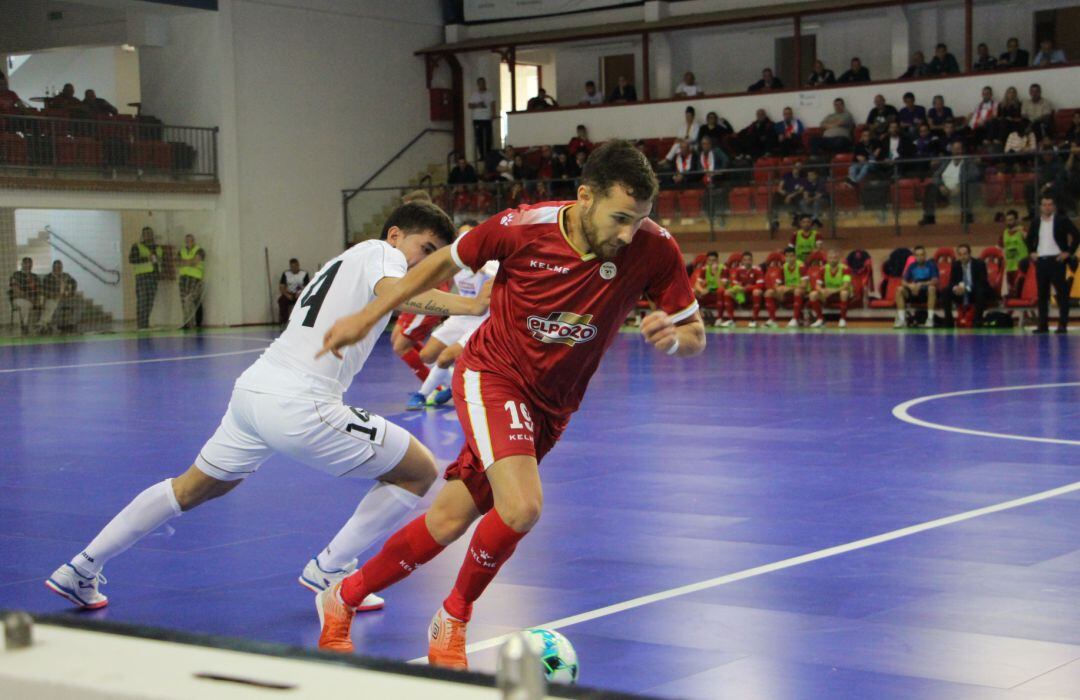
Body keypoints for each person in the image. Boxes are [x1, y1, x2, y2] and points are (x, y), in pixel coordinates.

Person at [313, 140, 705, 667]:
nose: (627, 233)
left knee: (449, 520)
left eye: (638, 220)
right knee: (521, 507)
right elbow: (439, 265)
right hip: (492, 376)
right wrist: (367, 317)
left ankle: (343, 596)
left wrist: (674, 339)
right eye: (619, 218)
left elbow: (694, 331)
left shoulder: (654, 249)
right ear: (585, 197)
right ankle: (452, 619)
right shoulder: (521, 227)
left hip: (554, 406)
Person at [45, 202, 487, 613]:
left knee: (195, 487)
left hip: (254, 392)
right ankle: (331, 570)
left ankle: (81, 567)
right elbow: (398, 293)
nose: (424, 263)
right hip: (301, 402)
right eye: (424, 249)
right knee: (419, 470)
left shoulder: (347, 260)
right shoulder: (382, 255)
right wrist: (474, 304)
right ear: (395, 235)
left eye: (435, 257)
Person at [408, 225, 499, 410]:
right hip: (461, 315)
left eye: (469, 235)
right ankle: (453, 385)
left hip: (483, 320)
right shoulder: (456, 262)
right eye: (461, 236)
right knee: (426, 355)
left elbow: (505, 278)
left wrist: (484, 270)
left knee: (445, 358)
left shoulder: (490, 262)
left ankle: (421, 395)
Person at [1025, 195, 1079, 333]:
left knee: (1062, 295)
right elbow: (1029, 238)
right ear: (1040, 207)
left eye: (1050, 204)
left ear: (1054, 206)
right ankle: (1042, 326)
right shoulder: (1036, 221)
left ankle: (1062, 325)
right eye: (1044, 204)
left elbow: (1077, 235)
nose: (1047, 207)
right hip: (1041, 261)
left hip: (1057, 261)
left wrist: (1068, 252)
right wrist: (1031, 252)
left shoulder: (1062, 220)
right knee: (1042, 295)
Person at [919, 141, 979, 225]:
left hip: (960, 189)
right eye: (955, 149)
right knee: (930, 187)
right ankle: (929, 217)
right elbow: (936, 175)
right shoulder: (946, 161)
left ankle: (967, 218)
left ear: (963, 150)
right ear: (952, 150)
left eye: (959, 149)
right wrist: (941, 185)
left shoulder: (968, 162)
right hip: (944, 190)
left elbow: (975, 174)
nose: (957, 151)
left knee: (968, 188)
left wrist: (960, 185)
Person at [944, 244, 991, 327]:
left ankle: (977, 321)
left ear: (969, 254)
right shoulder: (956, 265)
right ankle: (949, 321)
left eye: (965, 254)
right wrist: (955, 288)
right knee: (946, 291)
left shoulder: (979, 263)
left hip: (974, 291)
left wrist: (966, 288)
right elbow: (952, 282)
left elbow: (981, 281)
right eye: (960, 254)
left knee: (980, 291)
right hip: (961, 293)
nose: (963, 257)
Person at [895, 245, 939, 328]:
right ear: (914, 256)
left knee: (932, 288)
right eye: (917, 255)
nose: (920, 257)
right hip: (914, 292)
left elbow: (935, 281)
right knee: (899, 289)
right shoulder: (912, 266)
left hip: (926, 292)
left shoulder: (931, 265)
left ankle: (930, 319)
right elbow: (903, 281)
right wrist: (910, 285)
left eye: (922, 255)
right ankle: (902, 319)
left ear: (925, 255)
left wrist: (922, 284)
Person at [129, 226, 163, 330]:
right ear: (143, 235)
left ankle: (145, 323)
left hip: (153, 276)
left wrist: (157, 261)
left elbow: (159, 261)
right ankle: (141, 325)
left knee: (150, 301)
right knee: (142, 301)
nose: (148, 235)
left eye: (150, 233)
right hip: (142, 276)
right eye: (146, 233)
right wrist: (146, 258)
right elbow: (132, 259)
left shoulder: (158, 248)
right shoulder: (137, 246)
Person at [809, 249, 853, 328]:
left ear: (838, 259)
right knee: (813, 294)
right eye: (831, 258)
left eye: (835, 258)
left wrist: (832, 291)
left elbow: (846, 285)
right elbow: (817, 285)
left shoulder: (846, 269)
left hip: (840, 291)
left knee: (844, 293)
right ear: (827, 259)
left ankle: (842, 319)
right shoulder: (823, 269)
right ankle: (820, 319)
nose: (833, 260)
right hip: (828, 293)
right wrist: (822, 290)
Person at [764, 246, 806, 328]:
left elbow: (804, 285)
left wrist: (789, 287)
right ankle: (772, 320)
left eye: (791, 256)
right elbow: (777, 284)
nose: (789, 258)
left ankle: (795, 319)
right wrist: (778, 289)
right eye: (787, 256)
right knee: (768, 292)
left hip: (801, 292)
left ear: (795, 256)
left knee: (798, 291)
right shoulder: (783, 267)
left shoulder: (801, 266)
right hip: (787, 292)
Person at [722, 251, 765, 328]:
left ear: (752, 260)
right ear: (742, 261)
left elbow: (760, 285)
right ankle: (731, 320)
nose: (747, 261)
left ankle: (754, 320)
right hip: (741, 294)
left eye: (749, 259)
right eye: (745, 260)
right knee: (727, 292)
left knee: (757, 292)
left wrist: (746, 288)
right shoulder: (738, 270)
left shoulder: (757, 270)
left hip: (752, 294)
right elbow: (734, 283)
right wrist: (738, 288)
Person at [39, 260, 79, 334]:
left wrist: (72, 292)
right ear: (53, 268)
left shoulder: (65, 275)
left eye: (60, 267)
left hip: (65, 297)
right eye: (57, 267)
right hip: (53, 297)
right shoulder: (48, 277)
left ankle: (71, 323)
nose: (59, 269)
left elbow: (74, 283)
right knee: (51, 304)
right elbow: (44, 290)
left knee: (78, 303)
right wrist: (54, 295)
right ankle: (42, 325)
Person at [177, 234, 205, 329]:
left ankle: (197, 323)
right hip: (183, 278)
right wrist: (190, 261)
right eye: (187, 240)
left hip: (195, 277)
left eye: (190, 240)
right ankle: (186, 323)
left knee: (193, 299)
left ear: (194, 241)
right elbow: (177, 262)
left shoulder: (199, 250)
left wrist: (185, 262)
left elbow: (196, 261)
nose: (188, 242)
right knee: (184, 300)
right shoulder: (182, 251)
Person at [691, 251, 726, 325]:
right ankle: (699, 317)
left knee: (720, 291)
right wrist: (702, 290)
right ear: (707, 261)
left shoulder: (723, 269)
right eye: (710, 260)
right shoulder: (704, 270)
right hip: (709, 293)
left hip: (719, 294)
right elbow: (697, 284)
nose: (712, 262)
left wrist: (715, 273)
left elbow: (721, 286)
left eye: (714, 260)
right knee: (694, 292)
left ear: (717, 261)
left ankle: (719, 318)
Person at [1000, 209, 1029, 293]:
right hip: (1009, 266)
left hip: (1022, 266)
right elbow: (1000, 247)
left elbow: (1030, 242)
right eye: (1007, 220)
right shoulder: (1004, 233)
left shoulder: (1022, 231)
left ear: (1016, 220)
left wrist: (1024, 233)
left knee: (1021, 289)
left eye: (1011, 220)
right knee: (1012, 290)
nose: (1009, 222)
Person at [9, 257, 40, 334]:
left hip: (33, 300)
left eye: (29, 263)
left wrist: (38, 299)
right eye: (25, 263)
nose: (28, 265)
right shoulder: (16, 274)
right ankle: (25, 325)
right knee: (24, 304)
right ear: (22, 264)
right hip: (19, 299)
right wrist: (29, 299)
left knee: (47, 303)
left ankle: (42, 325)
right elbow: (16, 291)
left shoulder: (35, 276)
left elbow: (39, 290)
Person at [468, 78, 495, 162]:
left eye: (483, 83)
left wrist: (493, 114)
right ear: (478, 84)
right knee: (479, 138)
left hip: (486, 118)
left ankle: (488, 155)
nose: (481, 85)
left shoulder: (489, 93)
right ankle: (482, 155)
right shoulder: (474, 94)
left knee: (488, 137)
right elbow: (469, 105)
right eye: (479, 83)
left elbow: (493, 103)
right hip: (477, 118)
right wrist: (477, 105)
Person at [278, 258, 310, 325]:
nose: (293, 268)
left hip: (300, 294)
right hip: (289, 293)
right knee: (281, 300)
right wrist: (287, 295)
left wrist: (300, 294)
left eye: (295, 266)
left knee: (306, 301)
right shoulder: (286, 274)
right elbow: (282, 287)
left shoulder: (304, 274)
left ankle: (302, 321)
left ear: (298, 265)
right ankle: (284, 321)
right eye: (292, 267)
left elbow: (307, 286)